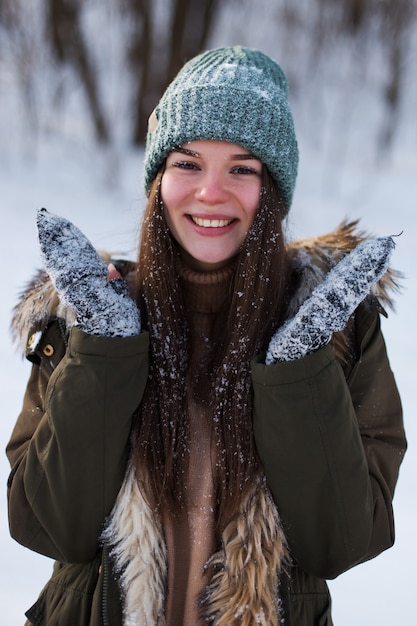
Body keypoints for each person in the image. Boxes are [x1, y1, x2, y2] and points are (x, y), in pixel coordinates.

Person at [6, 46, 406, 626]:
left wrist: (299, 371)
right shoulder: (89, 313)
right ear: (159, 179)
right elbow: (46, 527)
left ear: (272, 190)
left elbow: (340, 542)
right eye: (188, 164)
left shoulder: (337, 328)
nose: (211, 193)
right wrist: (104, 352)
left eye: (242, 169)